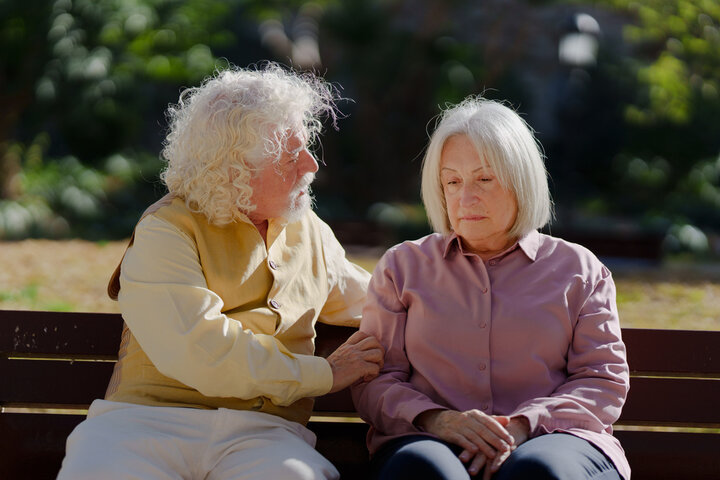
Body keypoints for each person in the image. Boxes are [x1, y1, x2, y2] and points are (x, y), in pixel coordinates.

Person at [57, 63, 384, 480]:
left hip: (265, 436)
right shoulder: (166, 228)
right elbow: (201, 349)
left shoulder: (311, 232)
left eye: (307, 147)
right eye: (290, 153)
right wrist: (324, 373)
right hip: (143, 425)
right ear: (235, 167)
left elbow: (379, 300)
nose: (310, 165)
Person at [351, 96, 630, 480]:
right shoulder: (403, 267)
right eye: (452, 181)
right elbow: (377, 381)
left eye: (484, 178)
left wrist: (522, 425)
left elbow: (601, 381)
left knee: (536, 471)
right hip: (431, 439)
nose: (466, 198)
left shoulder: (579, 270)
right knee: (425, 471)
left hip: (556, 440)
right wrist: (437, 420)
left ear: (520, 180)